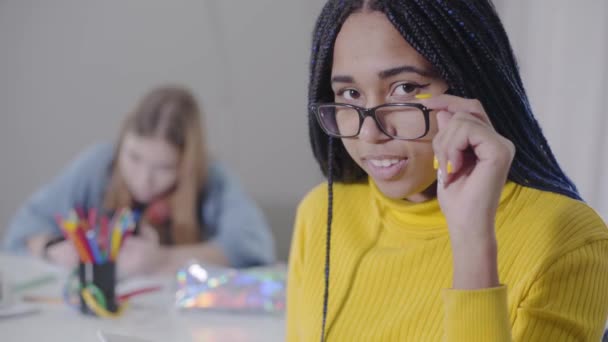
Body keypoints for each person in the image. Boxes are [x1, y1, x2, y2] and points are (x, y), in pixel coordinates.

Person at [287, 1, 608, 341]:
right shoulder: (323, 211)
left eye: (405, 88)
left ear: (469, 86)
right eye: (350, 93)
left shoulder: (569, 240)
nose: (370, 133)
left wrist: (472, 236)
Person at [3, 85, 275, 276]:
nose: (144, 180)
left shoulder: (213, 178)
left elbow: (253, 246)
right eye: (134, 157)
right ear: (122, 141)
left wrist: (164, 260)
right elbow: (25, 228)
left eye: (164, 167)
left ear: (187, 165)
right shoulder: (99, 164)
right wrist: (52, 248)